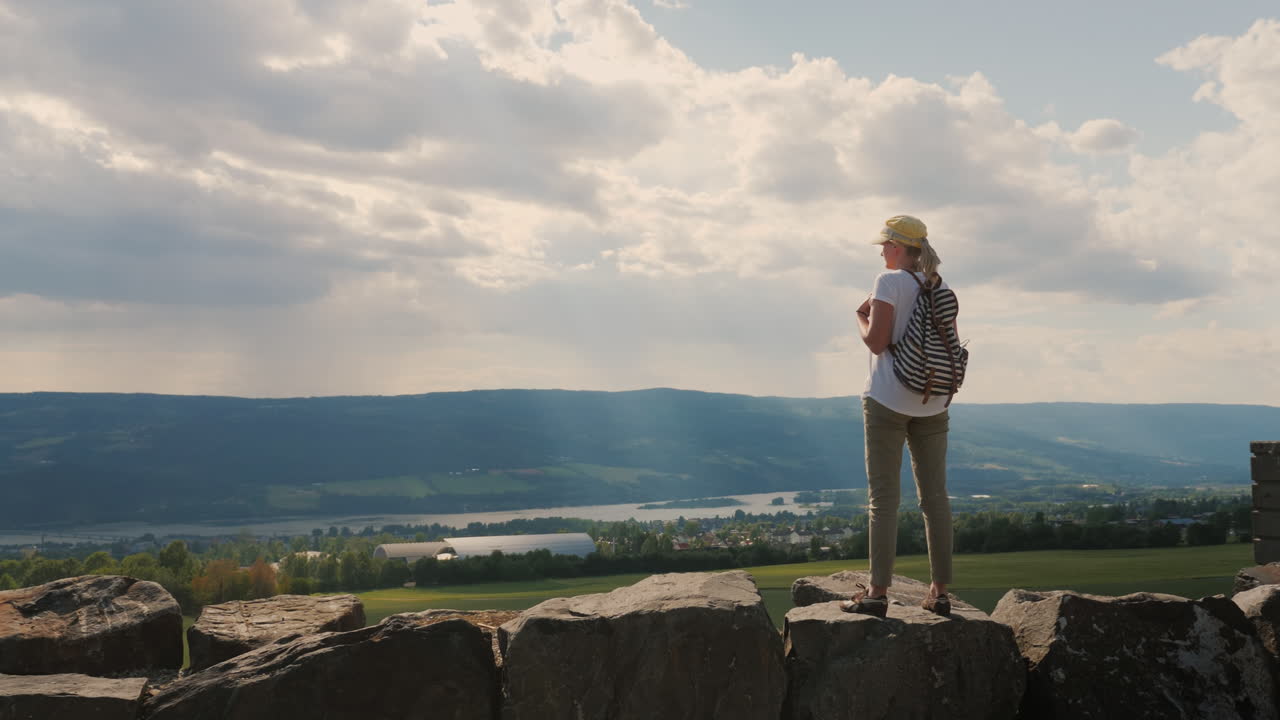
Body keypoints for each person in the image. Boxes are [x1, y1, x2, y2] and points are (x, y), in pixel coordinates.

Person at [844, 214, 955, 617]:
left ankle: (876, 594)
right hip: (933, 403)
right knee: (936, 499)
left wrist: (860, 315)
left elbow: (877, 342)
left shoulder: (887, 282)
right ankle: (940, 593)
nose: (881, 251)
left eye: (884, 245)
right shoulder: (938, 286)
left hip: (889, 399)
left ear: (897, 248)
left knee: (884, 500)